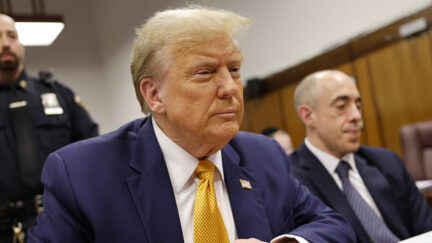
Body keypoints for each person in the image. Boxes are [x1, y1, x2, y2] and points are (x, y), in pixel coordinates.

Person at [27, 6, 355, 243]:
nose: (230, 87)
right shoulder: (82, 174)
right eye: (205, 73)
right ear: (154, 95)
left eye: (235, 69)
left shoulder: (262, 154)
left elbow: (333, 226)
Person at [288, 69, 432, 242]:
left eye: (358, 106)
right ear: (308, 116)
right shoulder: (290, 180)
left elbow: (426, 228)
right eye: (341, 107)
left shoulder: (387, 161)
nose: (357, 116)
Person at [0, 14, 98, 242]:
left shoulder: (58, 94)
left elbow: (92, 153)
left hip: (61, 222)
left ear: (21, 44)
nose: (5, 43)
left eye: (12, 35)